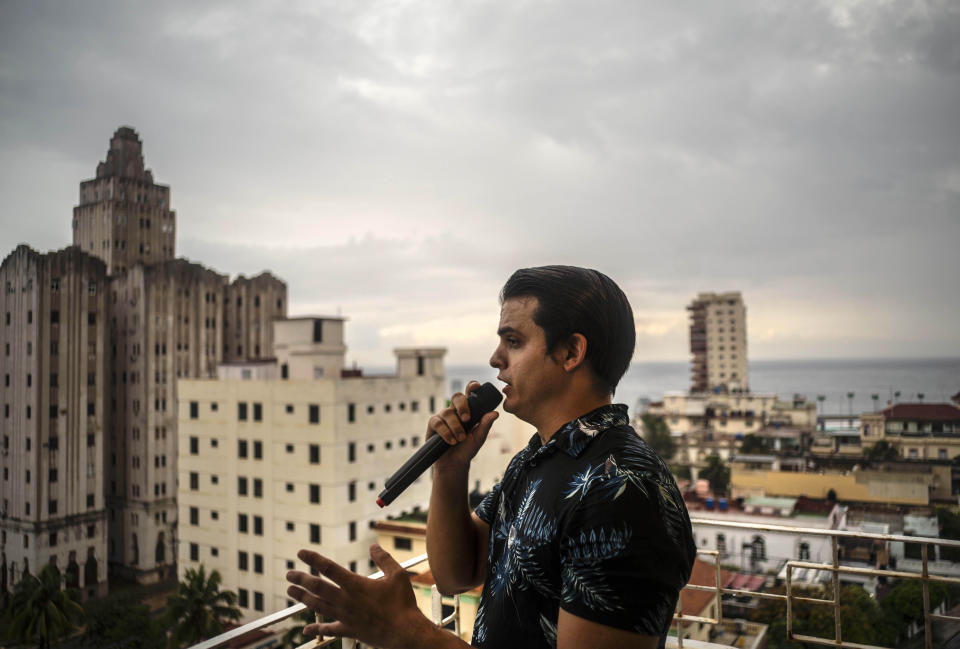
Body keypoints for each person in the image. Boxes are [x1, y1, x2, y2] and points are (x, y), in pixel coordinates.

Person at [286, 265, 697, 649]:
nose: (495, 358)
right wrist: (450, 470)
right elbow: (454, 574)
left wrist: (406, 632)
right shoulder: (536, 458)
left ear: (571, 352)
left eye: (513, 341)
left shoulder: (624, 489)